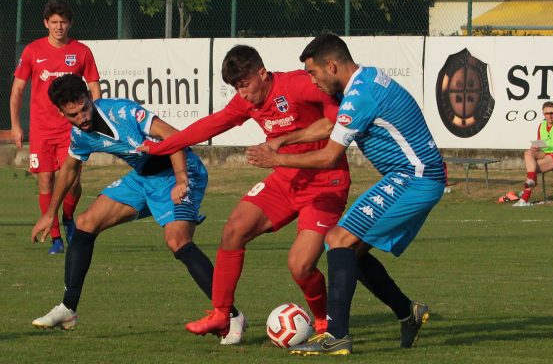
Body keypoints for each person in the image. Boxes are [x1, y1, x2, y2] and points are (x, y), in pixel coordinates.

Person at [246, 33, 446, 355]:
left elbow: (329, 156)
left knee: (337, 239)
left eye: (313, 73)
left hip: (415, 177)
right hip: (414, 176)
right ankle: (407, 312)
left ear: (331, 65)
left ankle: (337, 336)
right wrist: (284, 140)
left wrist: (276, 160)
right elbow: (329, 125)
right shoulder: (363, 81)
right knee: (351, 252)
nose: (312, 81)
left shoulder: (358, 96)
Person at [137, 45, 351, 344]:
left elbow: (333, 122)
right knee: (233, 230)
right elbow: (207, 126)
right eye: (237, 88)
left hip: (325, 183)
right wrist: (161, 147)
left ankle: (320, 321)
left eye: (246, 85)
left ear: (262, 73)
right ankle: (221, 313)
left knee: (300, 266)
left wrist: (282, 141)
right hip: (285, 180)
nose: (243, 94)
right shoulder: (245, 102)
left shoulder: (297, 84)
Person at [30, 74, 244, 344]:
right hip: (143, 178)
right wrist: (50, 213)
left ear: (89, 98)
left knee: (177, 240)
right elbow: (70, 169)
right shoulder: (80, 135)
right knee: (85, 223)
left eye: (85, 107)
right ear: (62, 113)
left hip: (180, 170)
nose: (82, 117)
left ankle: (231, 315)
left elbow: (174, 137)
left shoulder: (123, 111)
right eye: (74, 114)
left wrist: (181, 180)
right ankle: (68, 309)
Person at [10, 0, 101, 254]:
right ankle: (55, 239)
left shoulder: (81, 51)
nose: (59, 27)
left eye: (63, 22)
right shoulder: (32, 51)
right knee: (45, 183)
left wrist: (94, 117)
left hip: (71, 130)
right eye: (54, 22)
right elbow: (17, 90)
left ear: (70, 23)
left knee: (72, 183)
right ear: (46, 24)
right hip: (41, 131)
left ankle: (69, 217)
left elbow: (94, 87)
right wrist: (16, 126)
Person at [513, 102, 553, 207]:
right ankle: (531, 181)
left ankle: (524, 198)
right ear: (543, 114)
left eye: (552, 113)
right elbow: (541, 144)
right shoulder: (542, 125)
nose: (550, 115)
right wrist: (535, 148)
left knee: (533, 168)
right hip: (546, 154)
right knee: (528, 153)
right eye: (547, 113)